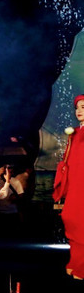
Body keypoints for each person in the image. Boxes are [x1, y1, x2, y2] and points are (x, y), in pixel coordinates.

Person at [54, 94, 84, 279]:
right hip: (75, 184)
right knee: (71, 218)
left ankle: (81, 265)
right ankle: (75, 261)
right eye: (77, 107)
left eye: (83, 107)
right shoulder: (74, 133)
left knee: (82, 222)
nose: (79, 111)